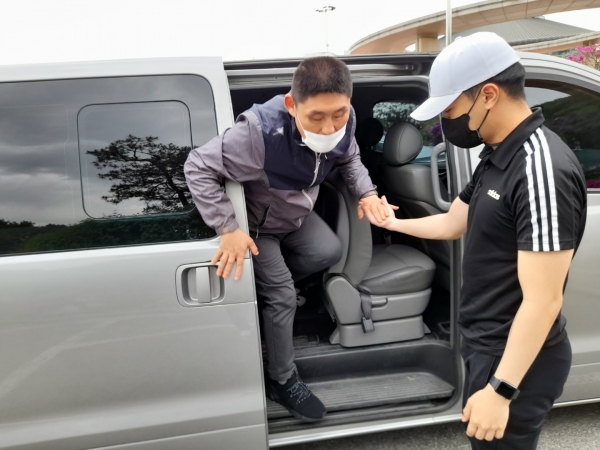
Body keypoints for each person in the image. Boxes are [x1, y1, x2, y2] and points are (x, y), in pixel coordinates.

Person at [360, 32, 587, 449]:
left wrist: (501, 391)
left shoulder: (540, 169)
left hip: (517, 361)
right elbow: (452, 223)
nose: (445, 122)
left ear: (488, 95)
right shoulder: (497, 154)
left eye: (450, 109)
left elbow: (543, 301)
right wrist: (392, 224)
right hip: (488, 346)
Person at [184, 56, 390, 422]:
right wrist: (228, 228)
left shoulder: (346, 120)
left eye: (338, 114)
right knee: (281, 296)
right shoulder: (258, 133)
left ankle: (272, 288)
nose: (329, 127)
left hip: (295, 216)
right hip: (258, 229)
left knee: (328, 251)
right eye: (316, 117)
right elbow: (197, 165)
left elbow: (350, 159)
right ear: (292, 105)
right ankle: (282, 379)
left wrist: (368, 193)